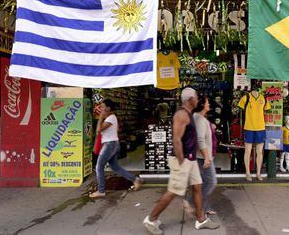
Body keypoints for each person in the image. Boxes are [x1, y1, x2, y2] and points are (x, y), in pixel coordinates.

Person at [143, 88, 220, 235]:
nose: (198, 100)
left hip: (190, 159)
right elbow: (176, 140)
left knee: (197, 187)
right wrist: (181, 161)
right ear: (190, 99)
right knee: (172, 191)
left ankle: (201, 219)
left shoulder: (190, 114)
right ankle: (151, 219)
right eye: (196, 98)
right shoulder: (181, 114)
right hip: (182, 160)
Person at [89, 99, 142, 198]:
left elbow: (98, 130)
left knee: (99, 166)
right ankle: (135, 179)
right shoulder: (111, 118)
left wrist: (100, 117)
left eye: (102, 107)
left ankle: (101, 190)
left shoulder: (111, 118)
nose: (100, 108)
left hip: (110, 145)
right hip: (113, 144)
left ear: (108, 108)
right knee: (114, 167)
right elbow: (115, 130)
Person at [184, 95, 218, 216]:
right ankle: (191, 201)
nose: (209, 104)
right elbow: (200, 139)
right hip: (203, 157)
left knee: (203, 182)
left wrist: (211, 126)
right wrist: (207, 158)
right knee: (211, 182)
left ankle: (205, 207)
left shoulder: (198, 117)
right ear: (203, 105)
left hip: (201, 156)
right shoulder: (200, 120)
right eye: (207, 102)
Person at [238, 85, 271, 181]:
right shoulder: (246, 97)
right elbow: (240, 107)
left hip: (260, 128)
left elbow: (267, 109)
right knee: (247, 151)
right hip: (249, 128)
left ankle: (258, 173)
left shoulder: (263, 98)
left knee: (259, 152)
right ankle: (247, 172)